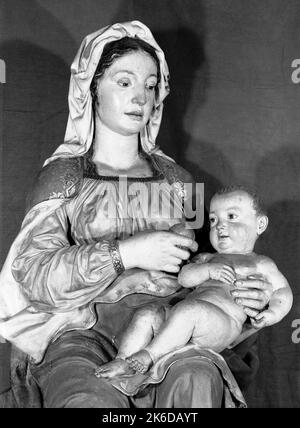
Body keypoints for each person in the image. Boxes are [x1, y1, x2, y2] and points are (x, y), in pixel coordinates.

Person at [0, 21, 273, 408]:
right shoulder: (63, 176)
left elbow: (204, 261)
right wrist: (125, 254)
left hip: (165, 323)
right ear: (91, 88)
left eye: (149, 85)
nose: (140, 98)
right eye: (124, 82)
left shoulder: (178, 180)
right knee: (87, 400)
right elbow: (33, 274)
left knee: (196, 379)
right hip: (81, 332)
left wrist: (247, 287)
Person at [95, 187, 292, 379]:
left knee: (191, 311)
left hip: (222, 323)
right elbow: (184, 278)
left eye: (231, 217)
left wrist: (272, 313)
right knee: (148, 313)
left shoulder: (260, 263)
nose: (219, 225)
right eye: (214, 219)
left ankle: (148, 355)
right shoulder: (207, 259)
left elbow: (282, 291)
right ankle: (124, 360)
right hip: (182, 319)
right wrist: (206, 270)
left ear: (260, 225)